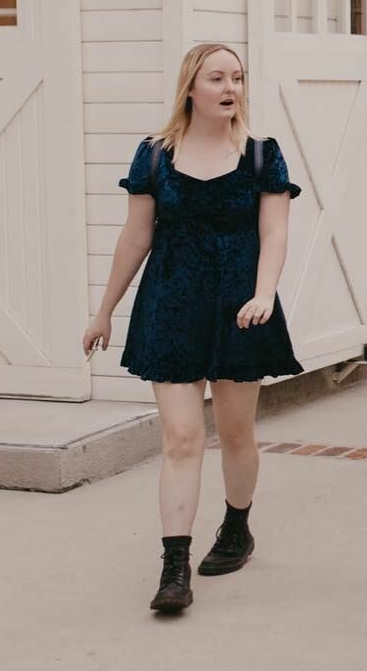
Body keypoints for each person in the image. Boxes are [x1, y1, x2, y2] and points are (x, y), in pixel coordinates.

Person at [82, 44, 302, 615]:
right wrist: (104, 309)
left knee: (235, 432)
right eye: (217, 78)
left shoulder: (261, 155)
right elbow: (136, 237)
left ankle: (236, 527)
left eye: (237, 78)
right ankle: (174, 567)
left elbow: (275, 232)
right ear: (191, 87)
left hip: (241, 307)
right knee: (181, 437)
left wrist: (265, 292)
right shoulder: (155, 156)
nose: (230, 88)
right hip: (172, 305)